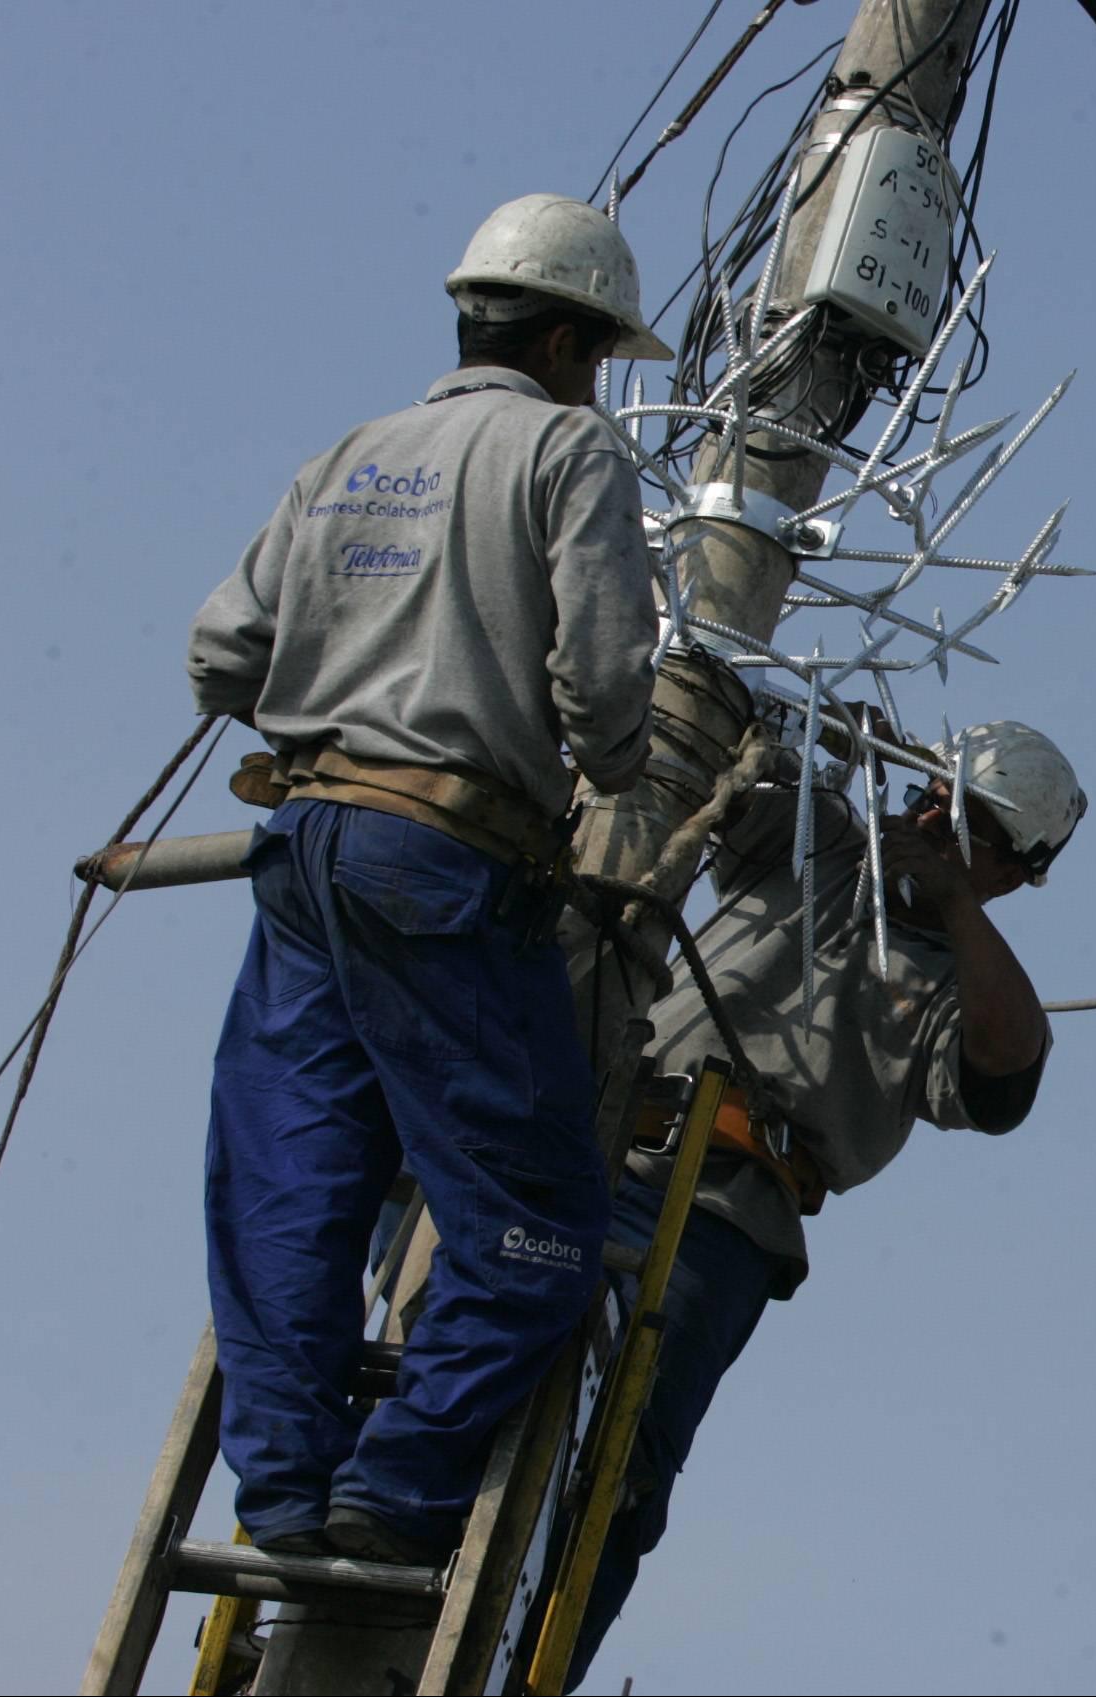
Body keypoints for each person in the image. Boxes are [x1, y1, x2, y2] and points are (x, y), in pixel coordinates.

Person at [184, 193, 675, 1566]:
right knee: (537, 1224)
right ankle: (395, 1492)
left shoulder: (357, 448)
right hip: (444, 864)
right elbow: (602, 691)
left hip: (304, 851)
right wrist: (604, 761)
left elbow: (222, 655)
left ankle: (283, 1488)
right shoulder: (568, 452)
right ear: (574, 340)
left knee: (293, 1176)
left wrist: (347, 704)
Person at [565, 713, 1086, 1688]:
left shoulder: (946, 987)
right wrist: (818, 740)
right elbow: (732, 765)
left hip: (715, 1218)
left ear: (1010, 870)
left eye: (960, 814)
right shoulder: (827, 850)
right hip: (586, 1148)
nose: (928, 814)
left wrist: (951, 906)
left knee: (615, 1469)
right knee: (457, 1351)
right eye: (926, 790)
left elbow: (1012, 1065)